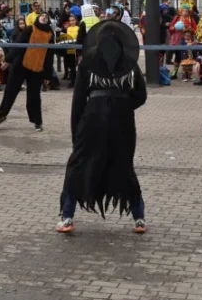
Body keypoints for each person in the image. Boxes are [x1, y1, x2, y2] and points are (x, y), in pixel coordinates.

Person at [56, 20, 147, 234]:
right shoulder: (130, 63)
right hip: (122, 120)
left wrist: (75, 131)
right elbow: (141, 95)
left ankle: (67, 217)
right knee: (124, 164)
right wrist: (123, 104)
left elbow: (78, 100)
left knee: (78, 165)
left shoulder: (88, 62)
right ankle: (139, 218)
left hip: (93, 118)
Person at [0, 12, 55, 132]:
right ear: (37, 18)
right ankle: (2, 114)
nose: (44, 17)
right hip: (20, 65)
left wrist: (47, 75)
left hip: (36, 69)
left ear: (48, 21)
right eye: (42, 16)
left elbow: (49, 56)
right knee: (10, 90)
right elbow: (18, 44)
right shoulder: (30, 29)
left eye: (46, 17)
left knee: (34, 96)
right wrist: (8, 60)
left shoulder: (50, 35)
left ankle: (37, 122)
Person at [61, 14, 80, 87]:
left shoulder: (78, 28)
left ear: (76, 21)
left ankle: (75, 80)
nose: (72, 22)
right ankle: (72, 79)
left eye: (73, 20)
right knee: (71, 65)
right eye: (70, 21)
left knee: (75, 66)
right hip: (69, 48)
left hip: (75, 48)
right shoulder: (68, 29)